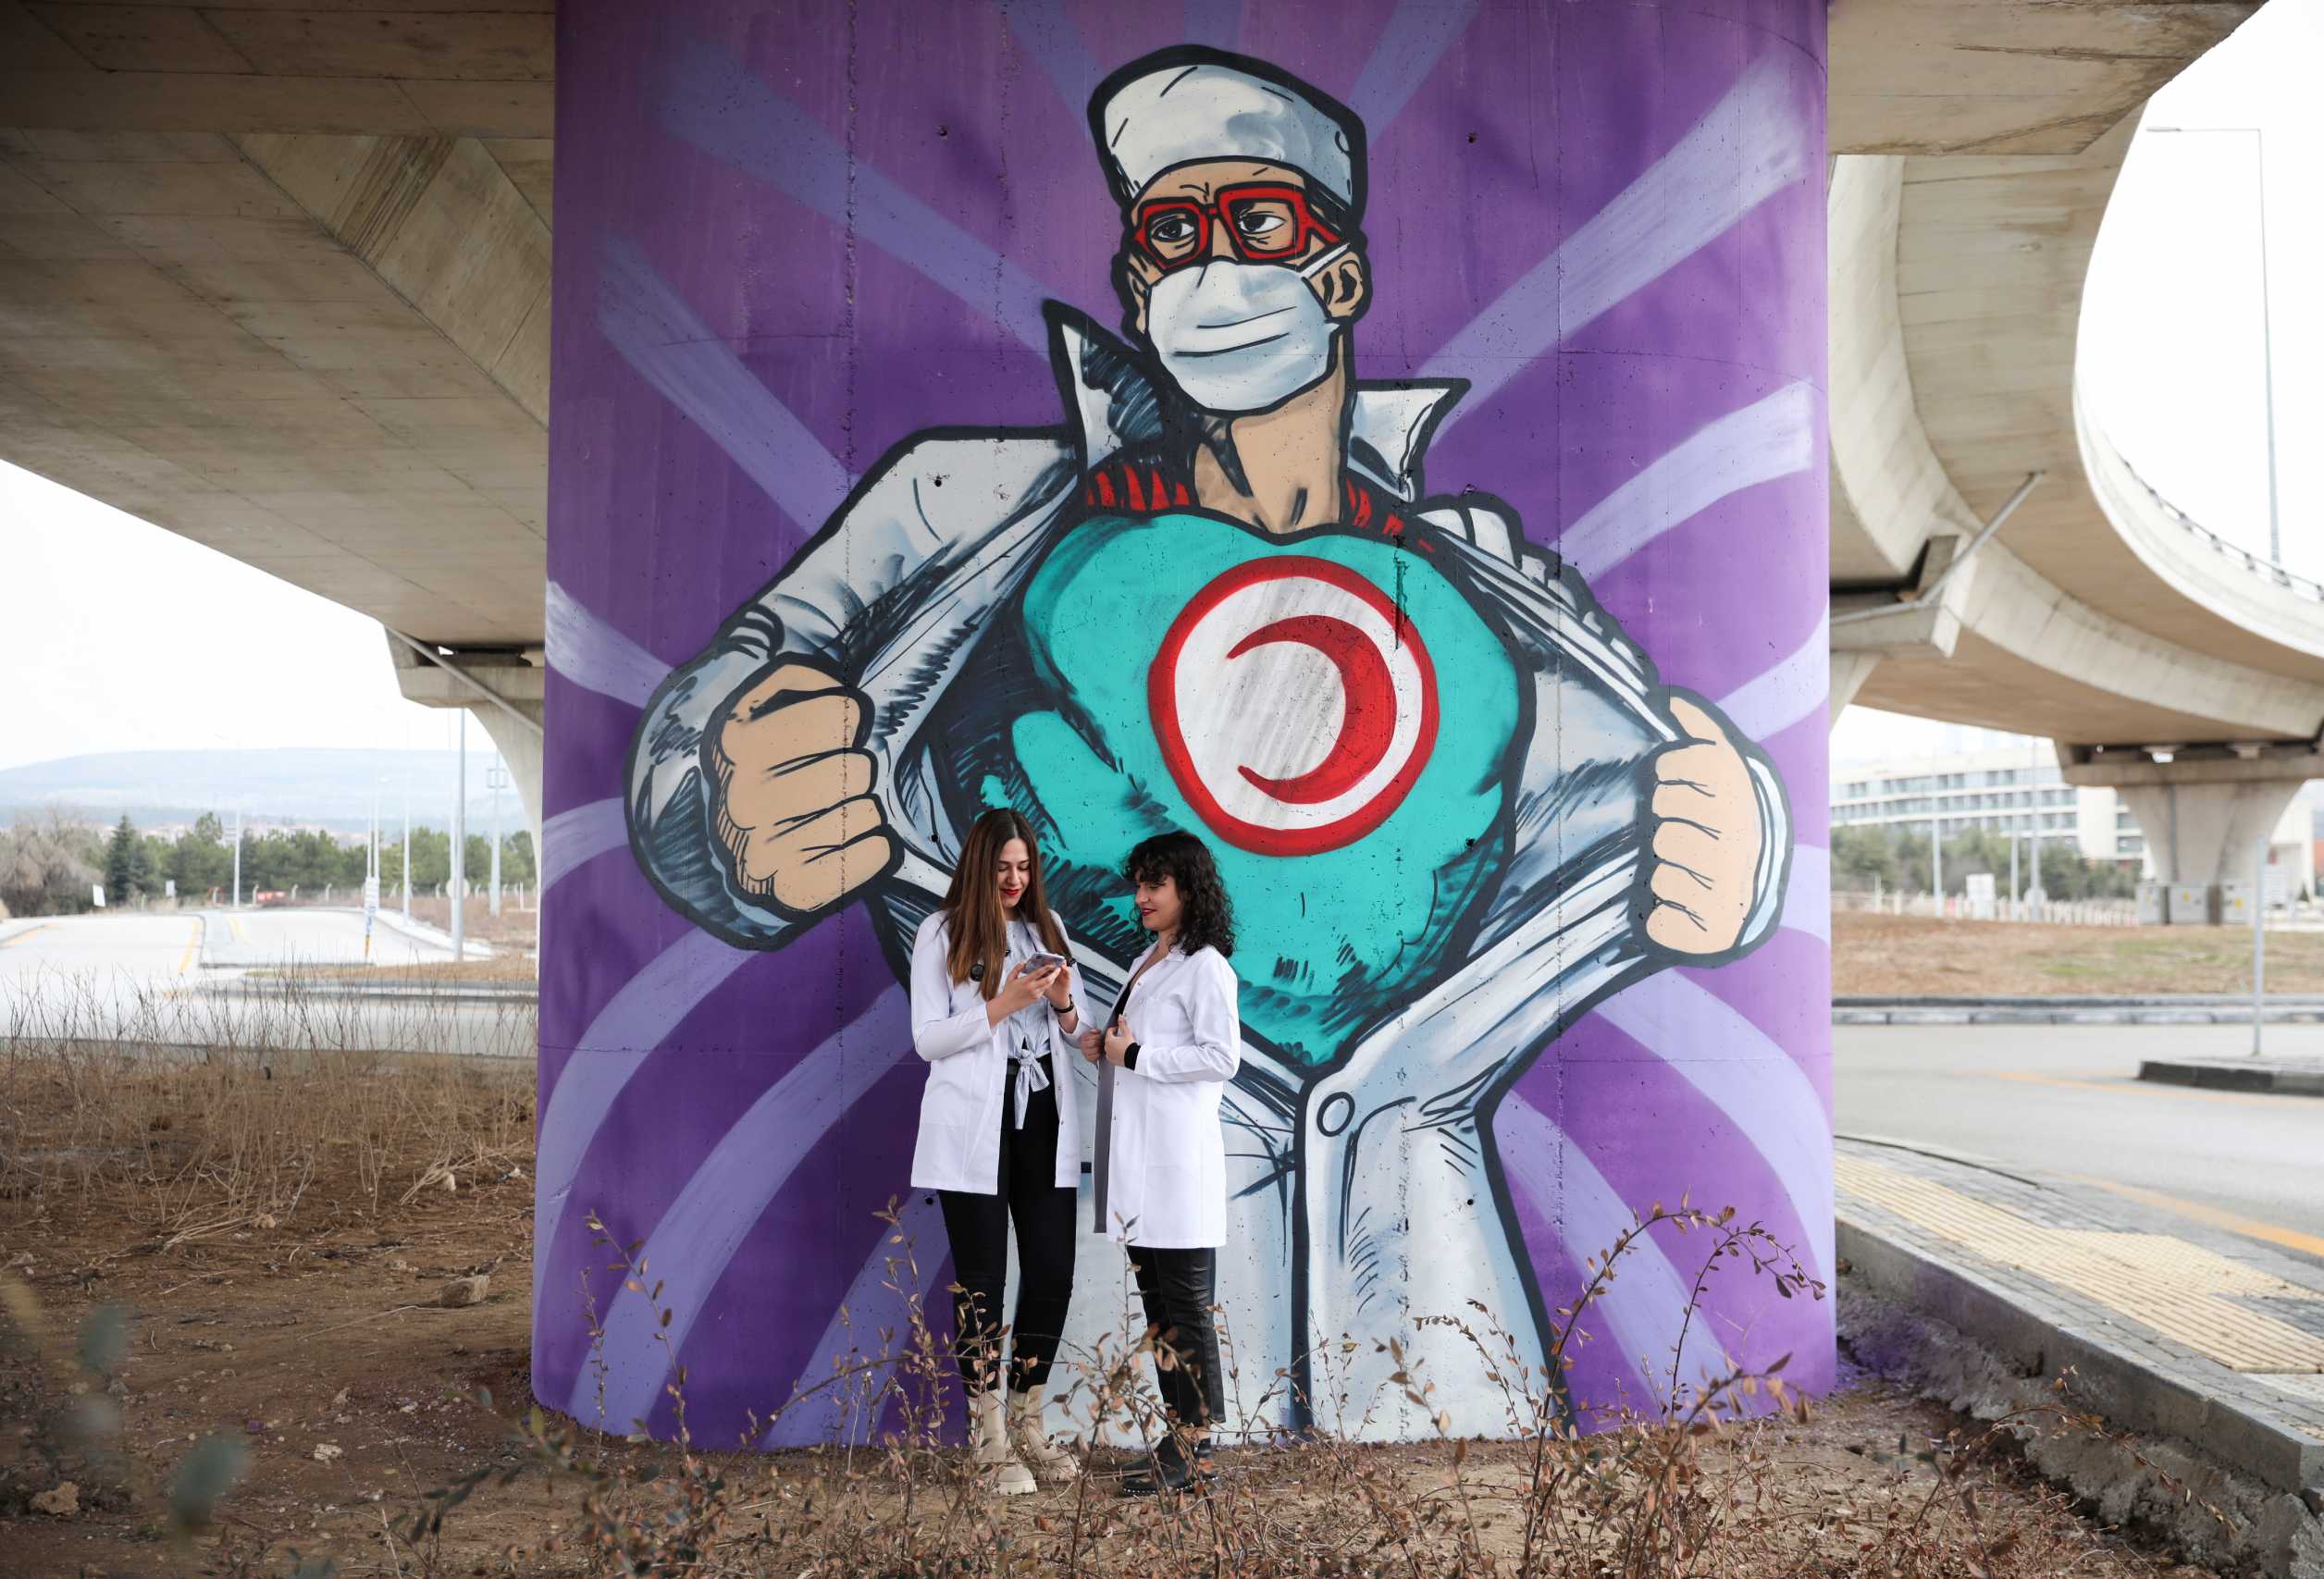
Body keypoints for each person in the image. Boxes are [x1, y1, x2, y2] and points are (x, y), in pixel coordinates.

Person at [627, 45, 1791, 1435]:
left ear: (1341, 276)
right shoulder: (972, 506)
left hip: (1429, 1304)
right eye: (1170, 239)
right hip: (1128, 1213)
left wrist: (1747, 849)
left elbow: (1656, 774)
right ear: (1134, 290)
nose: (1210, 271)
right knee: (1132, 1435)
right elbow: (722, 704)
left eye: (1258, 227)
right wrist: (724, 809)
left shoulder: (1474, 567)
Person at [909, 808, 1091, 1495]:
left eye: (1023, 867)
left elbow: (1079, 1033)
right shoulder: (942, 931)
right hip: (973, 1124)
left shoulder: (1049, 929)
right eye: (1002, 867)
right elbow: (927, 1037)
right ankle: (987, 1439)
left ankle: (1028, 1422)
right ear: (979, 865)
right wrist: (1003, 1002)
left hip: (1042, 1116)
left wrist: (1067, 1003)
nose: (1014, 879)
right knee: (983, 1279)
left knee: (1052, 1270)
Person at [1082, 831, 1241, 1496]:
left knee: (1186, 1312)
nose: (1142, 896)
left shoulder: (1206, 967)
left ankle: (1198, 1454)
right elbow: (1131, 1047)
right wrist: (1099, 1039)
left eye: (1156, 884)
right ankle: (1178, 1438)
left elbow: (1221, 1057)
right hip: (1142, 1167)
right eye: (1139, 883)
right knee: (1160, 1313)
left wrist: (1138, 1057)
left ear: (1188, 890)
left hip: (1177, 1167)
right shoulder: (1149, 961)